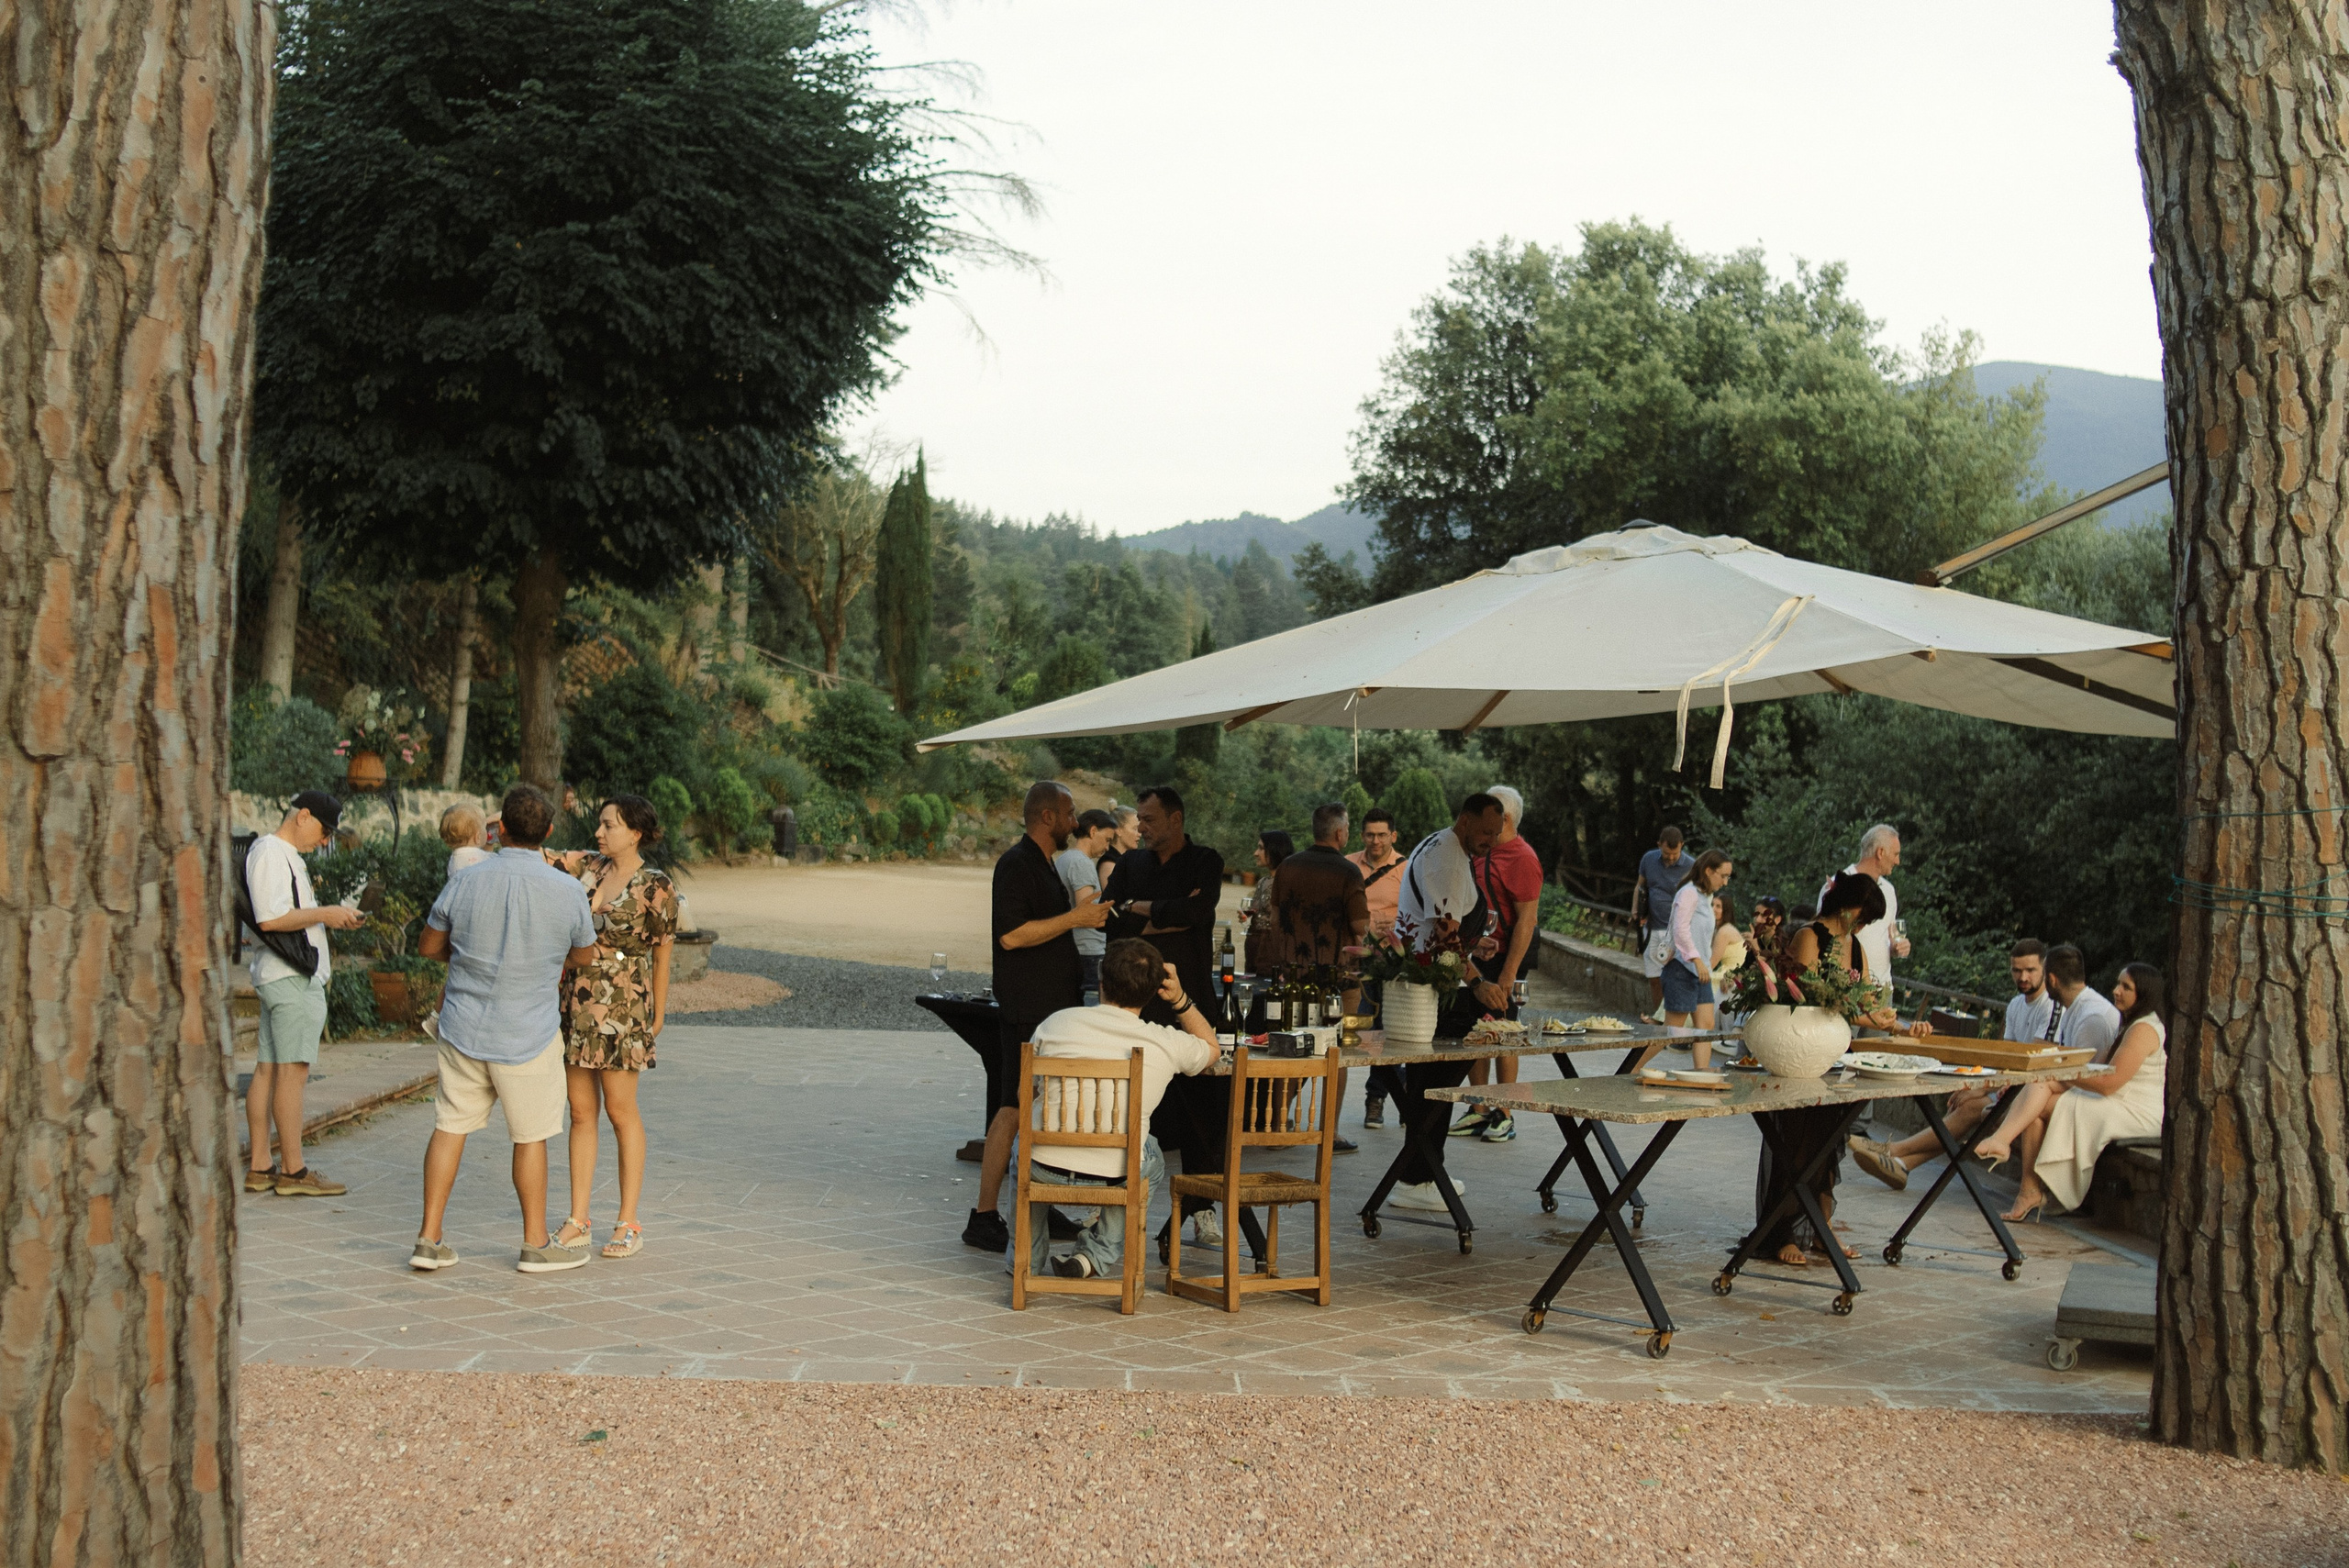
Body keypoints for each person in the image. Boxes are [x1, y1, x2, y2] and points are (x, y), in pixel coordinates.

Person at [411, 784, 601, 1273]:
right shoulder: (568, 890)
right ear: (550, 832)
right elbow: (583, 956)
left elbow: (429, 947)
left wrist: (474, 955)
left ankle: (429, 1238)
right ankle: (535, 1243)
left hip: (463, 1027)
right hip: (529, 1032)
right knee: (531, 1135)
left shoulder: (465, 881)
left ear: (499, 830)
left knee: (449, 1126)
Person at [1018, 940, 1220, 1280]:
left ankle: (1025, 1262)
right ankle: (1095, 1256)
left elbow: (1033, 1091)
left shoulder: (1056, 1024)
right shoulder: (1162, 1041)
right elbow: (1211, 1048)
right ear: (1155, 991)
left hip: (1043, 1166)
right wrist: (1181, 1000)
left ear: (1101, 980)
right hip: (1114, 1172)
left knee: (1020, 1146)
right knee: (1149, 1154)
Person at [965, 782, 1110, 1252]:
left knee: (1036, 1110)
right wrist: (1075, 919)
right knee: (1011, 1107)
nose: (1075, 822)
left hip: (1049, 1007)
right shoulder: (1017, 864)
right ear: (1047, 817)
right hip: (1027, 1009)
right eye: (1069, 814)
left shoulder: (1046, 864)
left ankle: (1040, 1210)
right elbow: (1011, 936)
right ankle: (984, 1216)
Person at [1747, 871, 1918, 1268]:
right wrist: (1862, 1011)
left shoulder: (1853, 943)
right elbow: (1802, 994)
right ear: (1848, 907)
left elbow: (1866, 999)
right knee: (1797, 1141)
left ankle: (1821, 1229)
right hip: (1805, 1049)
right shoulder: (1812, 935)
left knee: (1829, 1144)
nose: (1864, 925)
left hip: (1836, 1052)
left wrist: (1892, 1021)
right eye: (1864, 916)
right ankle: (1782, 1231)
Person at [541, 795, 678, 1260]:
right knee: (580, 1112)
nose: (599, 832)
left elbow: (662, 950)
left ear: (635, 832)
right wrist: (496, 825)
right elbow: (532, 853)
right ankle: (578, 1218)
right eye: (599, 824)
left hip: (623, 1006)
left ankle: (628, 1221)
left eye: (608, 825)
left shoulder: (656, 885)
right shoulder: (588, 869)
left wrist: (658, 1013)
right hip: (577, 1004)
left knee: (621, 1111)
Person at [1103, 785, 1237, 1249]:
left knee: (1203, 1105)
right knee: (1128, 1103)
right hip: (1133, 1003)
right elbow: (1110, 918)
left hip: (1190, 1002)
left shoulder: (1205, 860)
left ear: (1176, 819)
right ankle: (1109, 1210)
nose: (1140, 827)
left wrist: (1143, 910)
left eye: (1150, 819)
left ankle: (1201, 1209)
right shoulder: (1129, 863)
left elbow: (1199, 911)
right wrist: (1165, 914)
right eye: (1139, 818)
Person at [1851, 939, 2056, 1191]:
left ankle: (1895, 1151)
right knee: (1969, 1103)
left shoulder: (2050, 1007)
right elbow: (2006, 1058)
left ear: (2044, 969)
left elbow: (2032, 1059)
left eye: (2030, 970)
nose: (2023, 977)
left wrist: (1984, 1088)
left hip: (2030, 1096)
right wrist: (1981, 1086)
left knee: (1971, 1107)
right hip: (2011, 1090)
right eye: (2016, 970)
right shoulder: (2016, 1005)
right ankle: (1902, 1164)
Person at [1384, 793, 1506, 1211]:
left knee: (1433, 1085)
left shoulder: (1439, 843)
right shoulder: (1449, 861)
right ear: (1466, 821)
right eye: (1486, 831)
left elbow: (1445, 930)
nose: (1491, 840)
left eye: (1497, 833)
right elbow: (1442, 938)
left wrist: (1475, 945)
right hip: (1434, 990)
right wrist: (1476, 983)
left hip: (1429, 979)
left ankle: (1422, 1171)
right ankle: (1418, 1177)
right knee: (1434, 1086)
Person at [243, 791, 365, 1198]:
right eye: (325, 831)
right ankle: (293, 1171)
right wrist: (326, 913)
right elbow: (271, 918)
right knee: (291, 1075)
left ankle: (261, 1165)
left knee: (269, 1069)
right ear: (304, 816)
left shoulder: (275, 853)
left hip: (280, 975)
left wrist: (328, 917)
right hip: (291, 978)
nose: (326, 841)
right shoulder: (272, 853)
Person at [1976, 963, 2167, 1221]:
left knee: (2040, 1102)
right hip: (2119, 1100)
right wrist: (2059, 1073)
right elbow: (2099, 1071)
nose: (2116, 991)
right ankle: (2024, 1183)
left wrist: (2063, 1074)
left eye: (2126, 987)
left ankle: (2009, 1152)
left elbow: (2110, 1083)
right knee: (2040, 1091)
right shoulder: (2133, 1023)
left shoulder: (2144, 1029)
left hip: (2137, 1110)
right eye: (2118, 984)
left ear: (2144, 993)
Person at [1267, 802, 1369, 1153]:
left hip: (1293, 974)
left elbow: (1276, 915)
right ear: (1340, 833)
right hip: (1338, 978)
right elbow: (1359, 927)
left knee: (1293, 1047)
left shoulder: (1287, 867)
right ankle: (1331, 1131)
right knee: (1335, 1051)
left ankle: (1278, 1123)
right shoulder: (1348, 872)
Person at [1451, 784, 1543, 1143]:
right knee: (1478, 1028)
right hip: (1479, 951)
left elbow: (1527, 920)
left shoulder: (1521, 857)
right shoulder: (1479, 851)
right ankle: (1479, 1106)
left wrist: (1508, 974)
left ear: (1504, 819)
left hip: (1509, 954)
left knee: (1506, 1029)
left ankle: (1505, 1111)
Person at [1346, 806, 1405, 1128]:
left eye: (1382, 835)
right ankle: (1403, 1092)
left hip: (1393, 960)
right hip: (1356, 959)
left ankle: (1376, 1099)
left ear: (1393, 836)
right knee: (1364, 1030)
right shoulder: (1348, 865)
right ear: (1362, 835)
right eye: (1370, 834)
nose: (1376, 841)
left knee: (1388, 1030)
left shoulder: (1406, 869)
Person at [1661, 851, 1734, 1065]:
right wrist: (1697, 960)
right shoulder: (1689, 893)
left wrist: (1702, 964)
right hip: (1683, 969)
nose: (1725, 882)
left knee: (1705, 1026)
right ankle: (1631, 1068)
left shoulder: (1706, 897)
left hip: (1699, 973)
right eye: (1723, 875)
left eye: (1728, 876)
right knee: (1670, 1032)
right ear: (1708, 871)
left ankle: (1701, 1073)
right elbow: (1680, 930)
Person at [1819, 825, 1911, 989]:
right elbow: (1822, 934)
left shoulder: (1888, 890)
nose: (1898, 861)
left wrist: (1897, 947)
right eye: (1896, 854)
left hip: (1883, 987)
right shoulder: (1840, 885)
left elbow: (1889, 935)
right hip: (1848, 987)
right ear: (1880, 852)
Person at [1056, 808, 1119, 1002]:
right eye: (1107, 840)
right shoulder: (1081, 863)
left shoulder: (1065, 859)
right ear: (1093, 832)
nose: (1108, 848)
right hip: (1088, 952)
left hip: (1077, 949)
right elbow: (1087, 914)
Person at [1633, 828, 1693, 1012]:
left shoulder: (1692, 865)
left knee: (1675, 978)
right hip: (1652, 928)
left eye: (1675, 854)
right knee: (1654, 977)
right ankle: (1658, 1015)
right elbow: (1639, 886)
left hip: (1677, 932)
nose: (1671, 858)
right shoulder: (1649, 859)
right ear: (1659, 845)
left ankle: (1673, 1015)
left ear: (1682, 846)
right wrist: (1635, 909)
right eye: (1667, 853)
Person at [1241, 828, 1294, 974]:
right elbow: (1254, 911)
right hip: (1254, 945)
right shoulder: (1263, 881)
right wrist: (1245, 915)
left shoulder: (1288, 882)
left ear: (1275, 850)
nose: (1255, 853)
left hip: (1273, 949)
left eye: (1261, 848)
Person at [440, 802, 492, 877]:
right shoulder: (484, 857)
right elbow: (496, 863)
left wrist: (489, 844)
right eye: (485, 827)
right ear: (478, 837)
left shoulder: (454, 859)